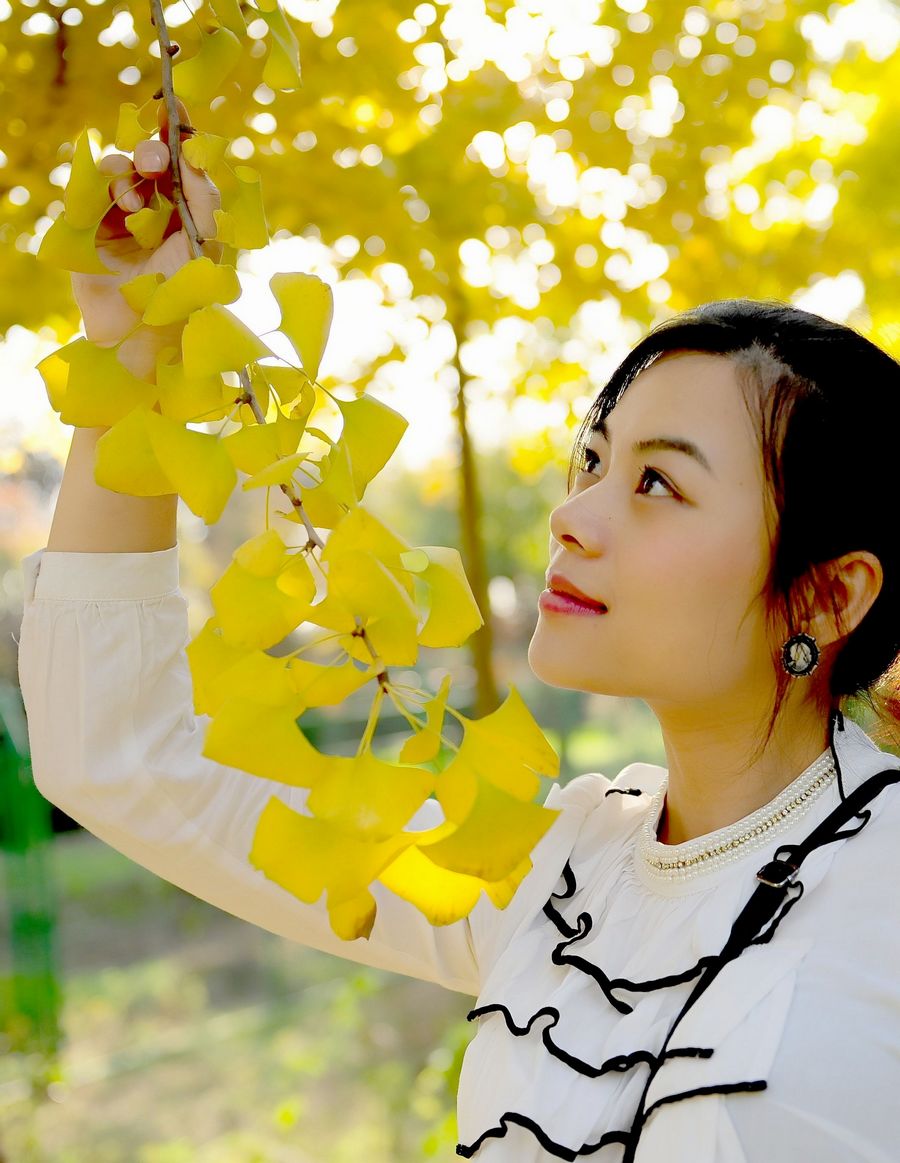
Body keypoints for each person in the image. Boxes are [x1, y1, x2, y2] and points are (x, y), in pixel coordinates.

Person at [16, 98, 900, 1163]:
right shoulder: (558, 867)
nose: (574, 516)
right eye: (592, 461)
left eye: (658, 482)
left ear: (829, 597)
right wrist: (136, 354)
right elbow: (123, 755)